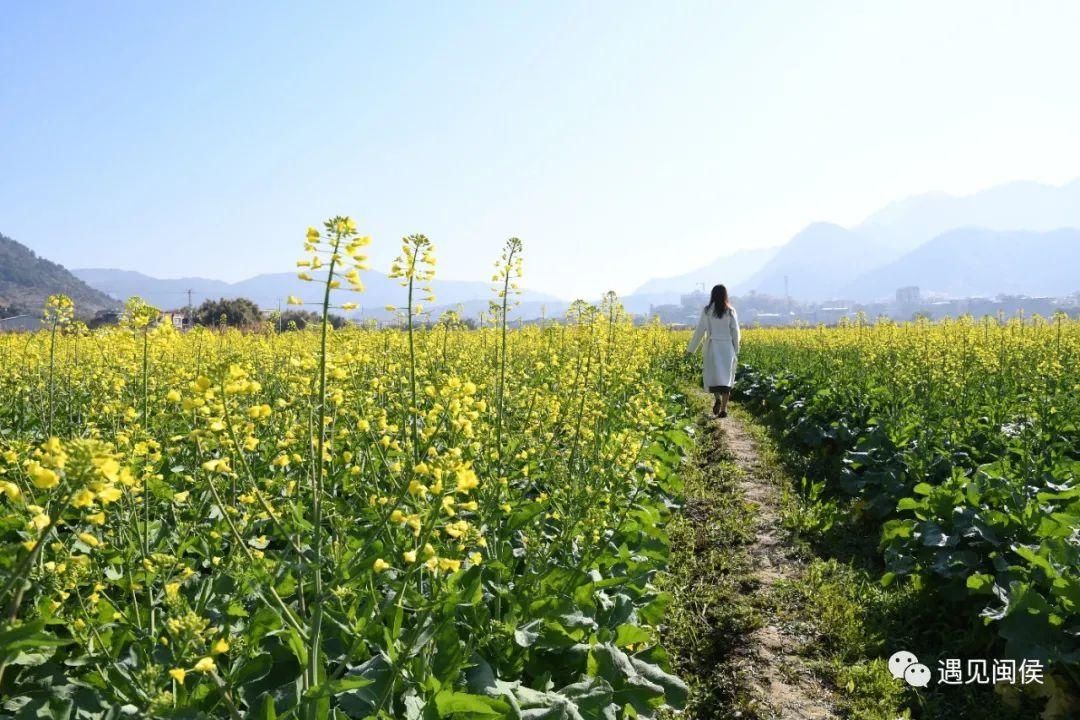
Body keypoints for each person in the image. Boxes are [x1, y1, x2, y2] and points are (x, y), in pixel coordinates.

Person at [686, 284, 740, 417]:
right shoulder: (730, 311)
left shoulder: (707, 311)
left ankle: (717, 399)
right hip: (727, 347)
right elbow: (735, 331)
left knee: (714, 376)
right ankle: (724, 409)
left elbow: (699, 331)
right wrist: (736, 349)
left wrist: (691, 350)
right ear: (725, 295)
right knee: (726, 378)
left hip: (713, 346)